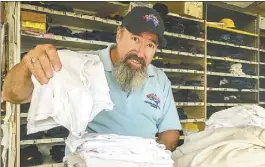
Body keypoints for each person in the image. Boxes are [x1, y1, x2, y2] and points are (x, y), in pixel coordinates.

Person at [2, 6, 181, 151]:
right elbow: (13, 95)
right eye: (135, 39)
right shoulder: (82, 66)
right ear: (119, 35)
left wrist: (151, 162)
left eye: (150, 44)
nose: (141, 52)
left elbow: (170, 131)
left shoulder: (160, 79)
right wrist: (27, 65)